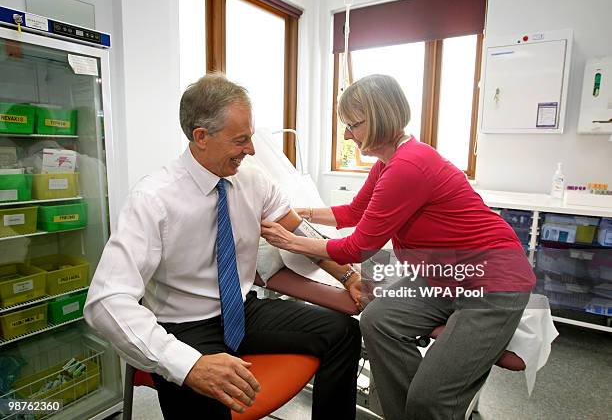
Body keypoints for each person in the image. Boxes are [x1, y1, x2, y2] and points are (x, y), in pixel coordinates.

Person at [84, 73, 361, 420]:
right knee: (211, 402)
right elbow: (105, 301)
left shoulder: (253, 181)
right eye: (240, 140)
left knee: (344, 332)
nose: (252, 150)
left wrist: (348, 275)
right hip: (183, 326)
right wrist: (190, 364)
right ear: (201, 137)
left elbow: (300, 234)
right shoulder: (152, 199)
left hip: (242, 312)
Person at [261, 74, 536, 420]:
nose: (347, 134)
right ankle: (415, 411)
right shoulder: (387, 163)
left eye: (352, 125)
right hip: (443, 275)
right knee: (377, 320)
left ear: (377, 120)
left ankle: (427, 405)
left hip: (492, 282)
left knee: (430, 399)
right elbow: (354, 212)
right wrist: (302, 212)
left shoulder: (407, 167)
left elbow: (358, 248)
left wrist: (292, 241)